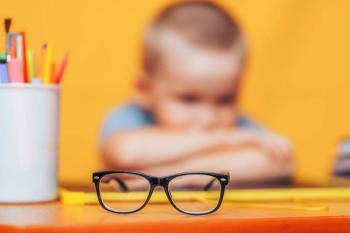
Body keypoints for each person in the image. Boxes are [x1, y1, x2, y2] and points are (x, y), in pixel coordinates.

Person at [100, 1, 293, 184]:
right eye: (189, 99)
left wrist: (163, 175)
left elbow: (282, 164)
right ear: (145, 90)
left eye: (225, 99)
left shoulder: (239, 124)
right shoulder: (129, 118)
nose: (208, 119)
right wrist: (226, 139)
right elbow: (125, 154)